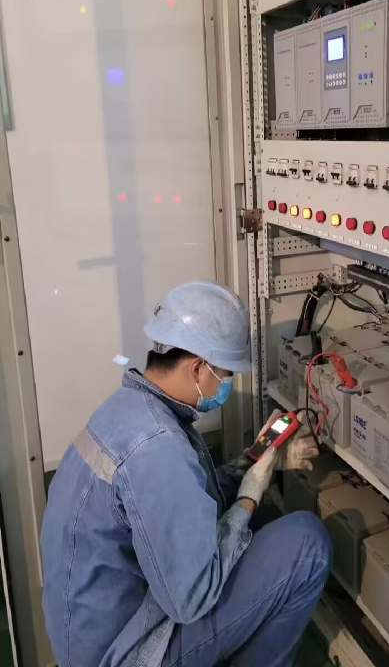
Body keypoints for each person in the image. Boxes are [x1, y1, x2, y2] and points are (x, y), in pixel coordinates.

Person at [41, 281, 331, 667]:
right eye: (225, 374)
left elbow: (185, 501)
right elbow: (191, 599)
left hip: (94, 633)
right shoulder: (158, 446)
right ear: (197, 367)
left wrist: (254, 463)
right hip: (127, 653)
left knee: (261, 522)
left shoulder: (130, 410)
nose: (226, 385)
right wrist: (249, 495)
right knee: (307, 543)